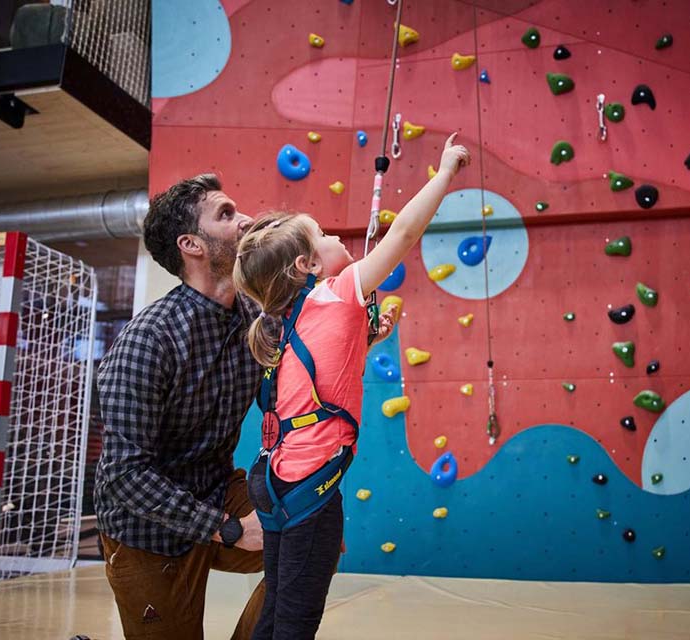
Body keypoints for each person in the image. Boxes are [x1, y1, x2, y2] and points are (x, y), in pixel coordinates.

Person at [233, 133, 471, 639]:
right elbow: (404, 233)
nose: (335, 235)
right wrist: (447, 170)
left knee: (278, 608)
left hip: (276, 480)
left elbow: (320, 381)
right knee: (295, 621)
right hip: (307, 485)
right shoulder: (338, 293)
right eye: (321, 234)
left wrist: (364, 341)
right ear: (307, 265)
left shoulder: (289, 320)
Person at [94, 174, 267, 640]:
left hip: (214, 487)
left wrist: (363, 335)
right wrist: (229, 530)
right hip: (144, 530)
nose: (246, 219)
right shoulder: (149, 340)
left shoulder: (254, 318)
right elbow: (125, 476)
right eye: (226, 214)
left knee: (312, 540)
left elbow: (308, 361)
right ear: (192, 245)